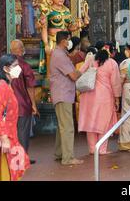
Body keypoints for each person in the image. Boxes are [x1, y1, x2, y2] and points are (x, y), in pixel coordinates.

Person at [0, 54, 30, 181]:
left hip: (10, 137)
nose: (18, 68)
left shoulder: (6, 85)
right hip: (4, 141)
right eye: (15, 66)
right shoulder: (2, 86)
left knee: (15, 170)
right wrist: (4, 139)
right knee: (5, 173)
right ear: (6, 69)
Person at [50, 31, 91, 166]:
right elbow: (73, 76)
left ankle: (59, 153)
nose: (70, 42)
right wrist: (85, 67)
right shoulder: (60, 55)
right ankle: (68, 158)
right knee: (67, 127)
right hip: (63, 94)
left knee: (62, 126)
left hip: (62, 94)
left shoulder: (60, 54)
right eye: (68, 40)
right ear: (63, 41)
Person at [78, 46, 121, 155]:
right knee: (103, 123)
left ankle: (92, 149)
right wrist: (117, 99)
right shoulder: (112, 63)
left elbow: (79, 73)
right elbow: (115, 83)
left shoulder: (90, 60)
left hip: (87, 96)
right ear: (109, 54)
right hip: (104, 97)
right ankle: (101, 149)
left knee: (90, 124)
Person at [9, 40, 38, 164]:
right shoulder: (24, 65)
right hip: (22, 104)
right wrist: (34, 104)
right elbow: (30, 87)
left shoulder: (6, 65)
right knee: (22, 133)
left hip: (8, 105)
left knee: (12, 133)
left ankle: (13, 158)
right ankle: (21, 159)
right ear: (21, 50)